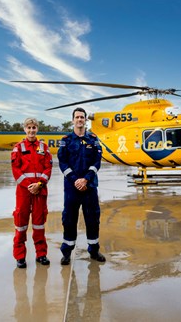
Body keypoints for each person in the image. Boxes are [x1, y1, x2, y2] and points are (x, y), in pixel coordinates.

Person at [58, 107, 106, 265]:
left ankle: (94, 250)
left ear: (85, 120)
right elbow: (62, 162)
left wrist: (85, 179)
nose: (80, 120)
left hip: (90, 187)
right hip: (72, 189)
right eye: (77, 117)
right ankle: (66, 252)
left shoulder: (93, 139)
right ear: (73, 120)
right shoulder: (66, 140)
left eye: (82, 117)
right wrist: (75, 180)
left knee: (93, 220)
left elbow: (97, 162)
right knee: (69, 220)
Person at [11, 118, 53, 268]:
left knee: (39, 224)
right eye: (28, 127)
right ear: (24, 129)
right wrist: (30, 186)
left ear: (37, 129)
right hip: (24, 192)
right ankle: (20, 256)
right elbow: (16, 170)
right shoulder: (18, 147)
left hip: (40, 191)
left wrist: (39, 184)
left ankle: (41, 254)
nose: (31, 130)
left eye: (34, 127)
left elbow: (48, 168)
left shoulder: (44, 147)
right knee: (21, 224)